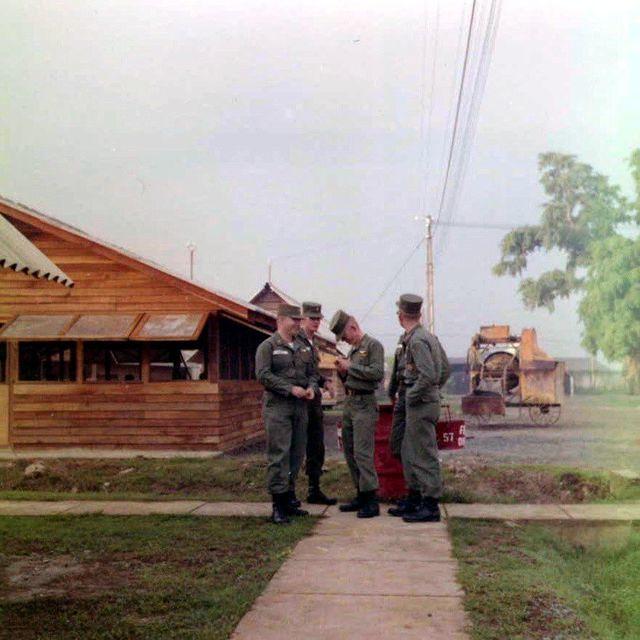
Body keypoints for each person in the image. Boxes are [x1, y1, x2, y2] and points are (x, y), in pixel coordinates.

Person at [389, 294, 451, 523]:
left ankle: (430, 505)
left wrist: (414, 395)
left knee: (423, 453)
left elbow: (430, 375)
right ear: (419, 314)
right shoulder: (426, 337)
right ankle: (415, 498)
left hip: (420, 404)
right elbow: (444, 370)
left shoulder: (417, 341)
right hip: (421, 402)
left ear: (401, 315)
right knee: (408, 450)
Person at [255, 303, 319, 524]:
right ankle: (278, 505)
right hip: (278, 408)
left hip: (300, 407)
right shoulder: (268, 346)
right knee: (279, 455)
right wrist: (290, 388)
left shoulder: (304, 346)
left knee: (296, 454)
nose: (299, 324)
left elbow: (313, 373)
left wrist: (312, 388)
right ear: (280, 320)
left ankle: (290, 499)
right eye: (295, 320)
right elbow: (263, 375)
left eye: (300, 320)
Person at [329, 310, 384, 518]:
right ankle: (361, 494)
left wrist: (350, 366)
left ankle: (371, 500)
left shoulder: (373, 346)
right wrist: (344, 373)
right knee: (350, 451)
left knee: (362, 453)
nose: (344, 340)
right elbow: (352, 379)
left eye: (344, 336)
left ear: (353, 327)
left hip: (364, 404)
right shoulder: (353, 351)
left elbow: (377, 374)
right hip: (350, 403)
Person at [298, 302, 337, 505]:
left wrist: (325, 381)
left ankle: (314, 489)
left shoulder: (313, 344)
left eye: (318, 319)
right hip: (300, 401)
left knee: (316, 446)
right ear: (303, 319)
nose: (316, 322)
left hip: (314, 403)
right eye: (312, 318)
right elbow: (296, 373)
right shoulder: (296, 342)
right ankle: (287, 494)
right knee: (296, 447)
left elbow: (312, 372)